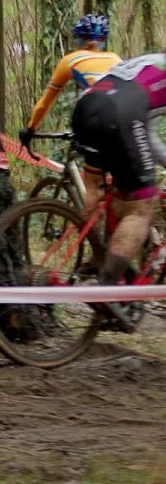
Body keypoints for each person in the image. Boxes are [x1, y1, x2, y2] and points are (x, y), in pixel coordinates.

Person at [71, 52, 166, 331]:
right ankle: (106, 289)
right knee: (142, 206)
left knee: (118, 195)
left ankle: (110, 269)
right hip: (119, 114)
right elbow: (142, 129)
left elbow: (146, 129)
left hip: (85, 108)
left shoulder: (151, 62)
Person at [20, 14, 120, 218]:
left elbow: (45, 103)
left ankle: (96, 241)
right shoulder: (117, 59)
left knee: (92, 185)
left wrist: (30, 128)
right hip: (127, 119)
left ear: (78, 39)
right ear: (103, 40)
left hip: (95, 119)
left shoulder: (70, 60)